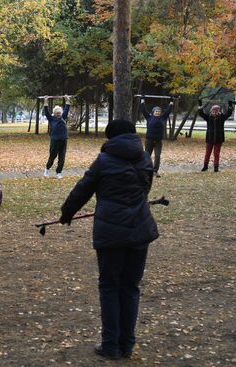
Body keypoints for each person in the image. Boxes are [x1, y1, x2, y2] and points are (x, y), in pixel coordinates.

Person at [59, 119, 159, 360]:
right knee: (130, 287)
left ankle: (111, 345)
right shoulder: (145, 158)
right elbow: (145, 190)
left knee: (110, 287)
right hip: (139, 230)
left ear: (111, 138)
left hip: (111, 233)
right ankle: (126, 344)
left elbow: (83, 188)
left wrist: (66, 213)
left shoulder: (104, 161)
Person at [140, 96, 174, 177]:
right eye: (156, 111)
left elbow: (168, 111)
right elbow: (143, 110)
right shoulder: (149, 117)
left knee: (157, 156)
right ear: (153, 112)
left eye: (159, 111)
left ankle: (155, 171)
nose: (158, 112)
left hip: (158, 141)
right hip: (149, 140)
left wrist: (171, 103)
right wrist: (142, 100)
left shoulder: (163, 118)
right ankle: (147, 170)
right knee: (147, 156)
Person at [198, 100, 234, 172]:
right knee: (207, 153)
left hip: (219, 139)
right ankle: (205, 166)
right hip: (210, 138)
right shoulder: (208, 117)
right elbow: (201, 113)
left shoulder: (222, 117)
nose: (215, 112)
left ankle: (216, 168)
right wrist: (200, 105)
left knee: (216, 154)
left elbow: (229, 113)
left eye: (216, 111)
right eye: (213, 111)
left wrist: (230, 106)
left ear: (218, 111)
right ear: (211, 111)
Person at [42, 96, 71, 179]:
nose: (58, 114)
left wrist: (67, 99)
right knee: (52, 156)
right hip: (54, 140)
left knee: (62, 157)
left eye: (59, 113)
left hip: (63, 140)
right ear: (54, 113)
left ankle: (58, 172)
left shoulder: (63, 117)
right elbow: (46, 111)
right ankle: (47, 169)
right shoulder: (51, 119)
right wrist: (45, 101)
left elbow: (67, 108)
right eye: (57, 113)